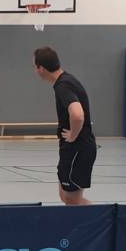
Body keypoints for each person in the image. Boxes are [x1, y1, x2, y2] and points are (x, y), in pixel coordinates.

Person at [33, 46, 97, 205]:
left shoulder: (63, 85)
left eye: (35, 67)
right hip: (73, 149)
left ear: (41, 68)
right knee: (65, 196)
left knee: (72, 199)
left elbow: (77, 115)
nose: (35, 71)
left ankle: (101, 219)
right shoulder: (65, 81)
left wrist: (73, 136)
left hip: (78, 148)